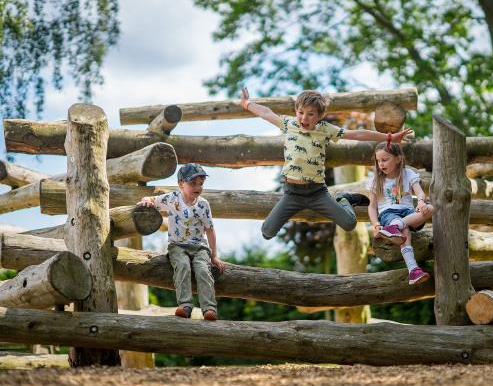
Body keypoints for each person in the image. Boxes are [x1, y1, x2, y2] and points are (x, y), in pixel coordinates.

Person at [240, 87, 413, 239]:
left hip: (317, 193)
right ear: (296, 111)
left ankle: (345, 199)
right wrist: (247, 103)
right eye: (301, 112)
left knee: (349, 223)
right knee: (267, 232)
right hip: (292, 193)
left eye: (310, 114)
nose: (304, 118)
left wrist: (389, 137)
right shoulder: (289, 124)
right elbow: (266, 113)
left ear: (320, 116)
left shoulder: (325, 130)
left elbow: (357, 134)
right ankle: (271, 227)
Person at [138, 163, 225, 320]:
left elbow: (210, 229)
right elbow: (152, 199)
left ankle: (209, 308)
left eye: (201, 183)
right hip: (177, 246)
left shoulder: (204, 205)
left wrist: (214, 256)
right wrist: (147, 201)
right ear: (180, 184)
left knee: (203, 270)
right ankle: (185, 305)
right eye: (193, 183)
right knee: (183, 265)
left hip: (200, 247)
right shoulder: (172, 199)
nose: (198, 187)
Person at [368, 141, 433, 285]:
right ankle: (413, 270)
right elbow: (372, 207)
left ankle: (396, 226)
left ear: (398, 159)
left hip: (409, 214)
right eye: (378, 161)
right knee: (404, 233)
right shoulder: (376, 180)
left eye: (385, 160)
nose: (381, 164)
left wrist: (421, 202)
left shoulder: (408, 174)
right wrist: (376, 224)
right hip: (388, 214)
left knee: (431, 209)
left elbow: (420, 193)